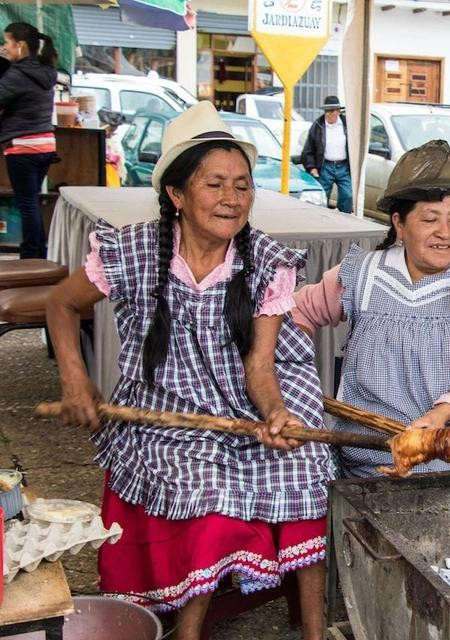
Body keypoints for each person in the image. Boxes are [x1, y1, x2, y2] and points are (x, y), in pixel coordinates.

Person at [45, 102, 336, 640]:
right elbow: (59, 305)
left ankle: (313, 631)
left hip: (242, 400)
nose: (232, 198)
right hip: (161, 405)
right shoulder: (131, 249)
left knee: (307, 461)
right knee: (205, 482)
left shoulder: (267, 262)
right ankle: (187, 629)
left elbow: (261, 369)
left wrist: (275, 415)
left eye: (243, 185)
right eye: (216, 184)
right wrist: (74, 378)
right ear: (177, 195)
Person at [292, 139, 450, 478]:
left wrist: (443, 412)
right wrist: (295, 382)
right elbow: (296, 312)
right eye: (430, 219)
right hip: (375, 449)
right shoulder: (363, 274)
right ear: (399, 223)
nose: (446, 233)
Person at [0, 22, 58, 259]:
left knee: (28, 204)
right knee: (32, 201)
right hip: (46, 145)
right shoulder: (47, 71)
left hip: (23, 147)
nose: (4, 47)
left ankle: (33, 256)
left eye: (6, 42)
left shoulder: (17, 75)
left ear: (20, 45)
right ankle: (38, 252)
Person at [301, 95, 353, 213]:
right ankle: (322, 220)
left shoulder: (347, 125)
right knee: (322, 196)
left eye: (331, 111)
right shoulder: (318, 125)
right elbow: (308, 149)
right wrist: (312, 167)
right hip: (325, 166)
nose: (328, 114)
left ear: (338, 112)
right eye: (326, 111)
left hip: (343, 166)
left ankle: (344, 219)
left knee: (348, 195)